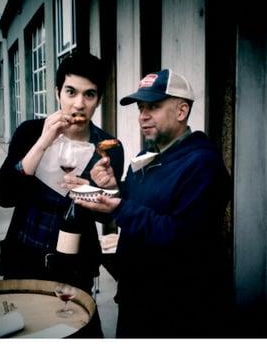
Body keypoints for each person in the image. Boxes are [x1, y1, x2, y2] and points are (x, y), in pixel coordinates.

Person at [75, 69, 232, 338]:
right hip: (136, 297)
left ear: (181, 111)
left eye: (154, 107)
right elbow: (137, 200)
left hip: (177, 309)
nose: (142, 116)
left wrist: (120, 208)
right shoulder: (148, 153)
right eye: (141, 107)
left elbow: (181, 236)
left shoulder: (203, 164)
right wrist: (112, 186)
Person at [0, 52, 124, 337]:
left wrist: (97, 191)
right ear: (57, 93)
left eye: (89, 94)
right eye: (71, 92)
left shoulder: (109, 147)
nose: (79, 104)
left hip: (75, 270)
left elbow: (109, 214)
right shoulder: (30, 132)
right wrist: (43, 143)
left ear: (98, 99)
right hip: (22, 262)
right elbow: (3, 195)